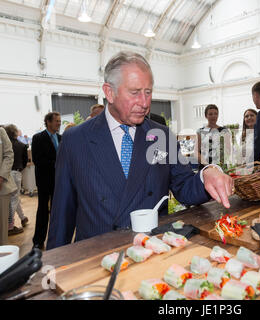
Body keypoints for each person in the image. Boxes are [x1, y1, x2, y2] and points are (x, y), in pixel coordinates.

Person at [47, 51, 233, 249]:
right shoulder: (76, 139)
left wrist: (206, 175)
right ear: (109, 92)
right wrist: (53, 265)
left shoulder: (161, 135)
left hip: (151, 251)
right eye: (135, 93)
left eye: (148, 92)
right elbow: (62, 214)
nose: (144, 103)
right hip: (96, 258)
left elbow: (185, 187)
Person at [31, 112, 61, 250]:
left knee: (58, 211)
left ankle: (56, 238)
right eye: (56, 121)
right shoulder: (38, 138)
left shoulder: (61, 138)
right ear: (48, 122)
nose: (59, 123)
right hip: (44, 181)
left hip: (59, 181)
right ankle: (38, 240)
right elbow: (37, 160)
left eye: (59, 121)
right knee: (43, 211)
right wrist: (57, 163)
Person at [5, 124, 29, 235]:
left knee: (14, 198)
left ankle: (23, 218)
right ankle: (10, 226)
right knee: (14, 198)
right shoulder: (22, 145)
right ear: (15, 132)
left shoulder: (4, 145)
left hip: (5, 174)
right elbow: (25, 162)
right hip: (16, 173)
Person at [196, 104, 231, 170]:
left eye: (215, 114)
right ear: (206, 116)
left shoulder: (224, 131)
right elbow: (196, 152)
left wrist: (220, 163)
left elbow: (228, 150)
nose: (213, 116)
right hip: (205, 166)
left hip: (220, 166)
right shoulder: (200, 131)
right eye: (210, 114)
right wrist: (207, 165)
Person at [0, 126, 17, 245]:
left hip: (1, 187)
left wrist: (1, 177)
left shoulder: (1, 132)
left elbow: (9, 154)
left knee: (2, 230)